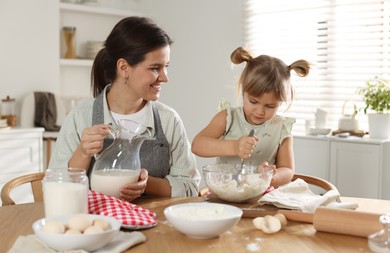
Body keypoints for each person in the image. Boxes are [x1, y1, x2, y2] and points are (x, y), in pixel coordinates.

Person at [49, 16, 201, 201]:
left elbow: (190, 187)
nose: (165, 77)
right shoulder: (80, 117)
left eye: (166, 67)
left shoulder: (168, 120)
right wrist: (82, 152)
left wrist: (147, 183)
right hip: (96, 223)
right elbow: (56, 188)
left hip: (156, 224)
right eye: (155, 68)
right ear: (124, 67)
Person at [192, 47, 310, 188]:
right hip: (223, 193)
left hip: (261, 197)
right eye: (253, 102)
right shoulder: (228, 118)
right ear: (243, 92)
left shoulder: (282, 128)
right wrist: (234, 147)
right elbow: (198, 145)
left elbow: (288, 169)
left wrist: (272, 177)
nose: (260, 111)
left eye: (270, 106)